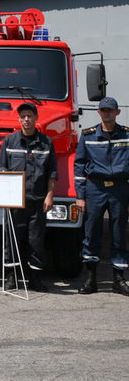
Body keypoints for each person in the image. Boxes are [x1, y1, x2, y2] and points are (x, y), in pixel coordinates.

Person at [0, 102, 56, 292]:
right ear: (18, 119)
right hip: (14, 202)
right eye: (23, 116)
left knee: (36, 241)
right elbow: (2, 170)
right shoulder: (9, 142)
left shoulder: (46, 143)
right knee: (12, 240)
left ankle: (35, 280)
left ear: (36, 118)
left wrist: (49, 195)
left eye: (30, 116)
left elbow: (51, 173)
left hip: (38, 201)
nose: (26, 119)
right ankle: (11, 278)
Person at [74, 96, 129, 296]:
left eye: (110, 110)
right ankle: (90, 280)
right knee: (91, 233)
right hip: (95, 189)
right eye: (103, 110)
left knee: (118, 234)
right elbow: (79, 166)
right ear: (98, 112)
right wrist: (80, 196)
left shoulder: (127, 135)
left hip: (120, 189)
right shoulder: (88, 136)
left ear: (117, 112)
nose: (107, 113)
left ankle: (118, 279)